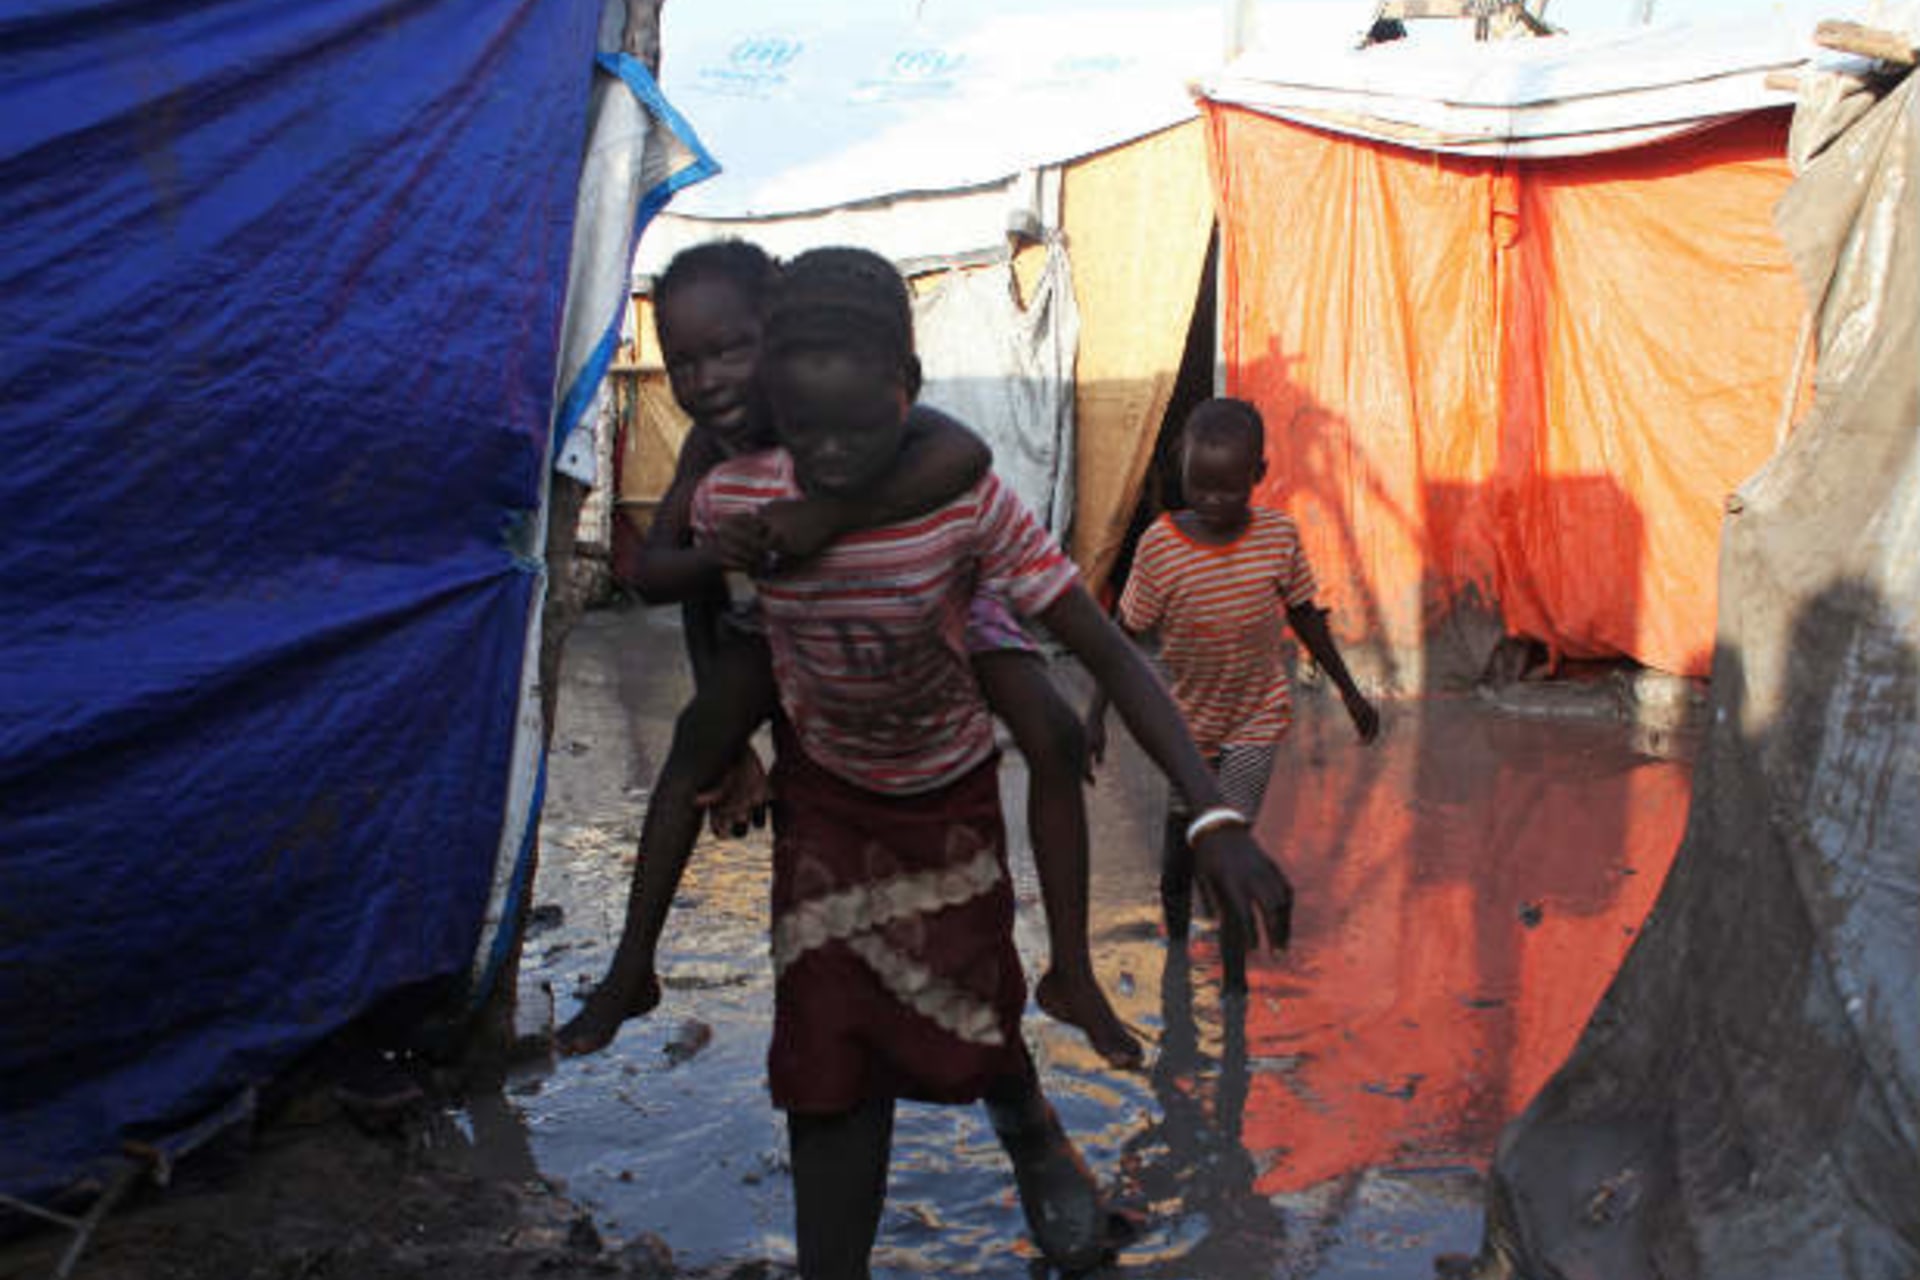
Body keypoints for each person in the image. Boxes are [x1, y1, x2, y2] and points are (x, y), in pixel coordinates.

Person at [684, 247, 1294, 1277]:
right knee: (828, 1049)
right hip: (826, 797)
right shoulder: (738, 497)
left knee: (972, 1000)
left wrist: (1212, 809)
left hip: (948, 792)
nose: (830, 451)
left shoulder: (959, 495)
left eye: (860, 424)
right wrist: (728, 746)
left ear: (906, 398)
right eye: (807, 426)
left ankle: (1033, 1121)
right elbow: (695, 596)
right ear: (777, 405)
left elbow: (1103, 645)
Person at [558, 241, 1139, 1069]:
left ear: (783, 334)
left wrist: (830, 517)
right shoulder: (712, 455)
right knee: (698, 756)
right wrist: (730, 555)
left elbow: (961, 456)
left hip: (929, 597)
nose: (707, 380)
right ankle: (632, 967)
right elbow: (658, 574)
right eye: (683, 361)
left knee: (1052, 734)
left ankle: (1072, 970)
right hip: (789, 618)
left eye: (731, 350)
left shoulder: (856, 399)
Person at [1087, 397, 1379, 992]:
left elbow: (1305, 614)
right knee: (1179, 854)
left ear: (1258, 476)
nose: (1214, 503)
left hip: (1254, 719)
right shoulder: (1161, 549)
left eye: (1229, 489)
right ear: (1182, 472)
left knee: (1225, 844)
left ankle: (1235, 985)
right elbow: (1120, 641)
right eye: (1200, 487)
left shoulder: (1277, 537)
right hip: (1186, 728)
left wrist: (1350, 691)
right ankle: (1174, 962)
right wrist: (1093, 715)